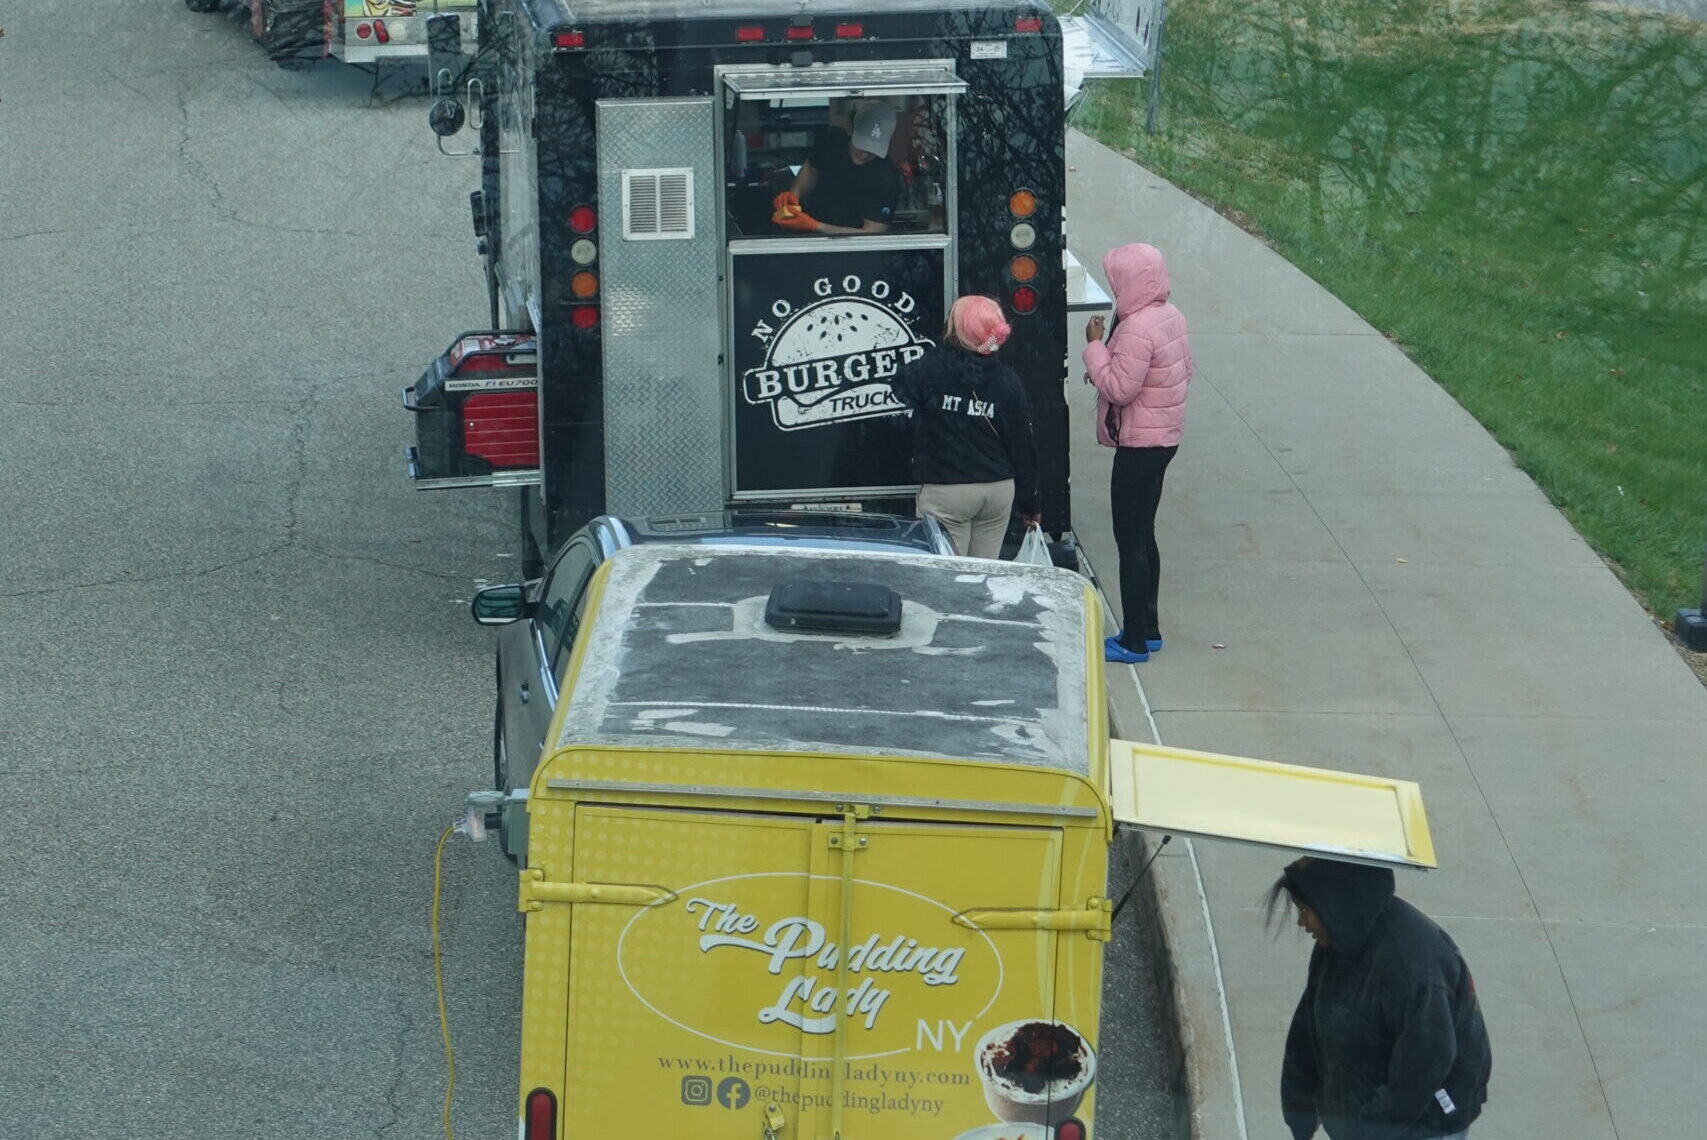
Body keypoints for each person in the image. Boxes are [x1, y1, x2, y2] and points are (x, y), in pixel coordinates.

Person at [1266, 858, 1493, 1140]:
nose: (1302, 922)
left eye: (1306, 910)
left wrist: (1367, 1131)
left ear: (1336, 905)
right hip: (1361, 1120)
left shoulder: (1415, 967)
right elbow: (1309, 1025)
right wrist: (1298, 1105)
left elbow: (1425, 1065)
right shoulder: (1337, 944)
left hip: (1422, 1127)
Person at [1084, 242, 1193, 664]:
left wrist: (1095, 348)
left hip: (1139, 445)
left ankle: (1131, 641)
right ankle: (1148, 628)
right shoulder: (1171, 316)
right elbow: (1183, 370)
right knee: (1145, 532)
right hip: (1164, 438)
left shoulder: (1134, 328)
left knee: (1128, 539)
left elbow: (1119, 389)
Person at [889, 295, 1039, 559]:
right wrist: (1031, 503)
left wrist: (944, 348)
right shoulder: (1008, 380)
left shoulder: (931, 370)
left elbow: (900, 386)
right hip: (997, 490)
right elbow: (1022, 445)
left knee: (947, 581)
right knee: (983, 575)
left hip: (948, 490)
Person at [772, 103, 902, 235]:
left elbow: (872, 233)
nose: (865, 155)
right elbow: (811, 169)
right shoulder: (833, 140)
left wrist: (815, 226)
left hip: (852, 249)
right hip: (812, 227)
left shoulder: (886, 179)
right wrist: (794, 194)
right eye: (861, 145)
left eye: (872, 150)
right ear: (851, 129)